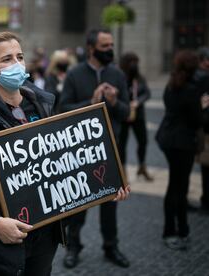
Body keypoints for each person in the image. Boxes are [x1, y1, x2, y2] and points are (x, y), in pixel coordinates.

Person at [0, 31, 131, 276]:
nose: (17, 64)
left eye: (19, 57)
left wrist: (106, 184)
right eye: (6, 59)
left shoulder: (43, 107)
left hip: (43, 238)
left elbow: (63, 165)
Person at [59, 28, 130, 269]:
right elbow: (62, 110)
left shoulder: (118, 74)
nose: (110, 50)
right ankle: (74, 247)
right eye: (105, 46)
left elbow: (127, 112)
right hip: (81, 153)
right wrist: (90, 103)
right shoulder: (74, 74)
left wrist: (113, 102)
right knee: (78, 206)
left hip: (111, 150)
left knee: (111, 203)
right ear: (91, 48)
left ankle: (111, 246)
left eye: (111, 45)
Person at [155, 50, 202, 250]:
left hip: (169, 139)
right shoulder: (191, 89)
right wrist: (205, 107)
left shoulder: (172, 83)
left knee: (178, 186)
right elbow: (199, 120)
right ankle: (170, 231)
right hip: (181, 143)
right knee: (177, 187)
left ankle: (182, 228)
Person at [118, 52, 153, 181]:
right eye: (131, 62)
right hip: (124, 115)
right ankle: (123, 171)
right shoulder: (120, 78)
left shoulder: (139, 78)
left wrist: (138, 102)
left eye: (136, 62)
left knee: (143, 141)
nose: (134, 65)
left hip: (138, 115)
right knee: (122, 144)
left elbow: (147, 93)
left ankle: (142, 166)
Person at [194, 47, 209, 214]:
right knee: (206, 167)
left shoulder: (200, 77)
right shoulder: (201, 77)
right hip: (204, 130)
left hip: (204, 127)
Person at [44, 50, 70, 114]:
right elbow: (49, 97)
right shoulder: (50, 77)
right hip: (57, 112)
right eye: (62, 61)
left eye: (66, 60)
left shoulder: (70, 74)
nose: (65, 63)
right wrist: (59, 88)